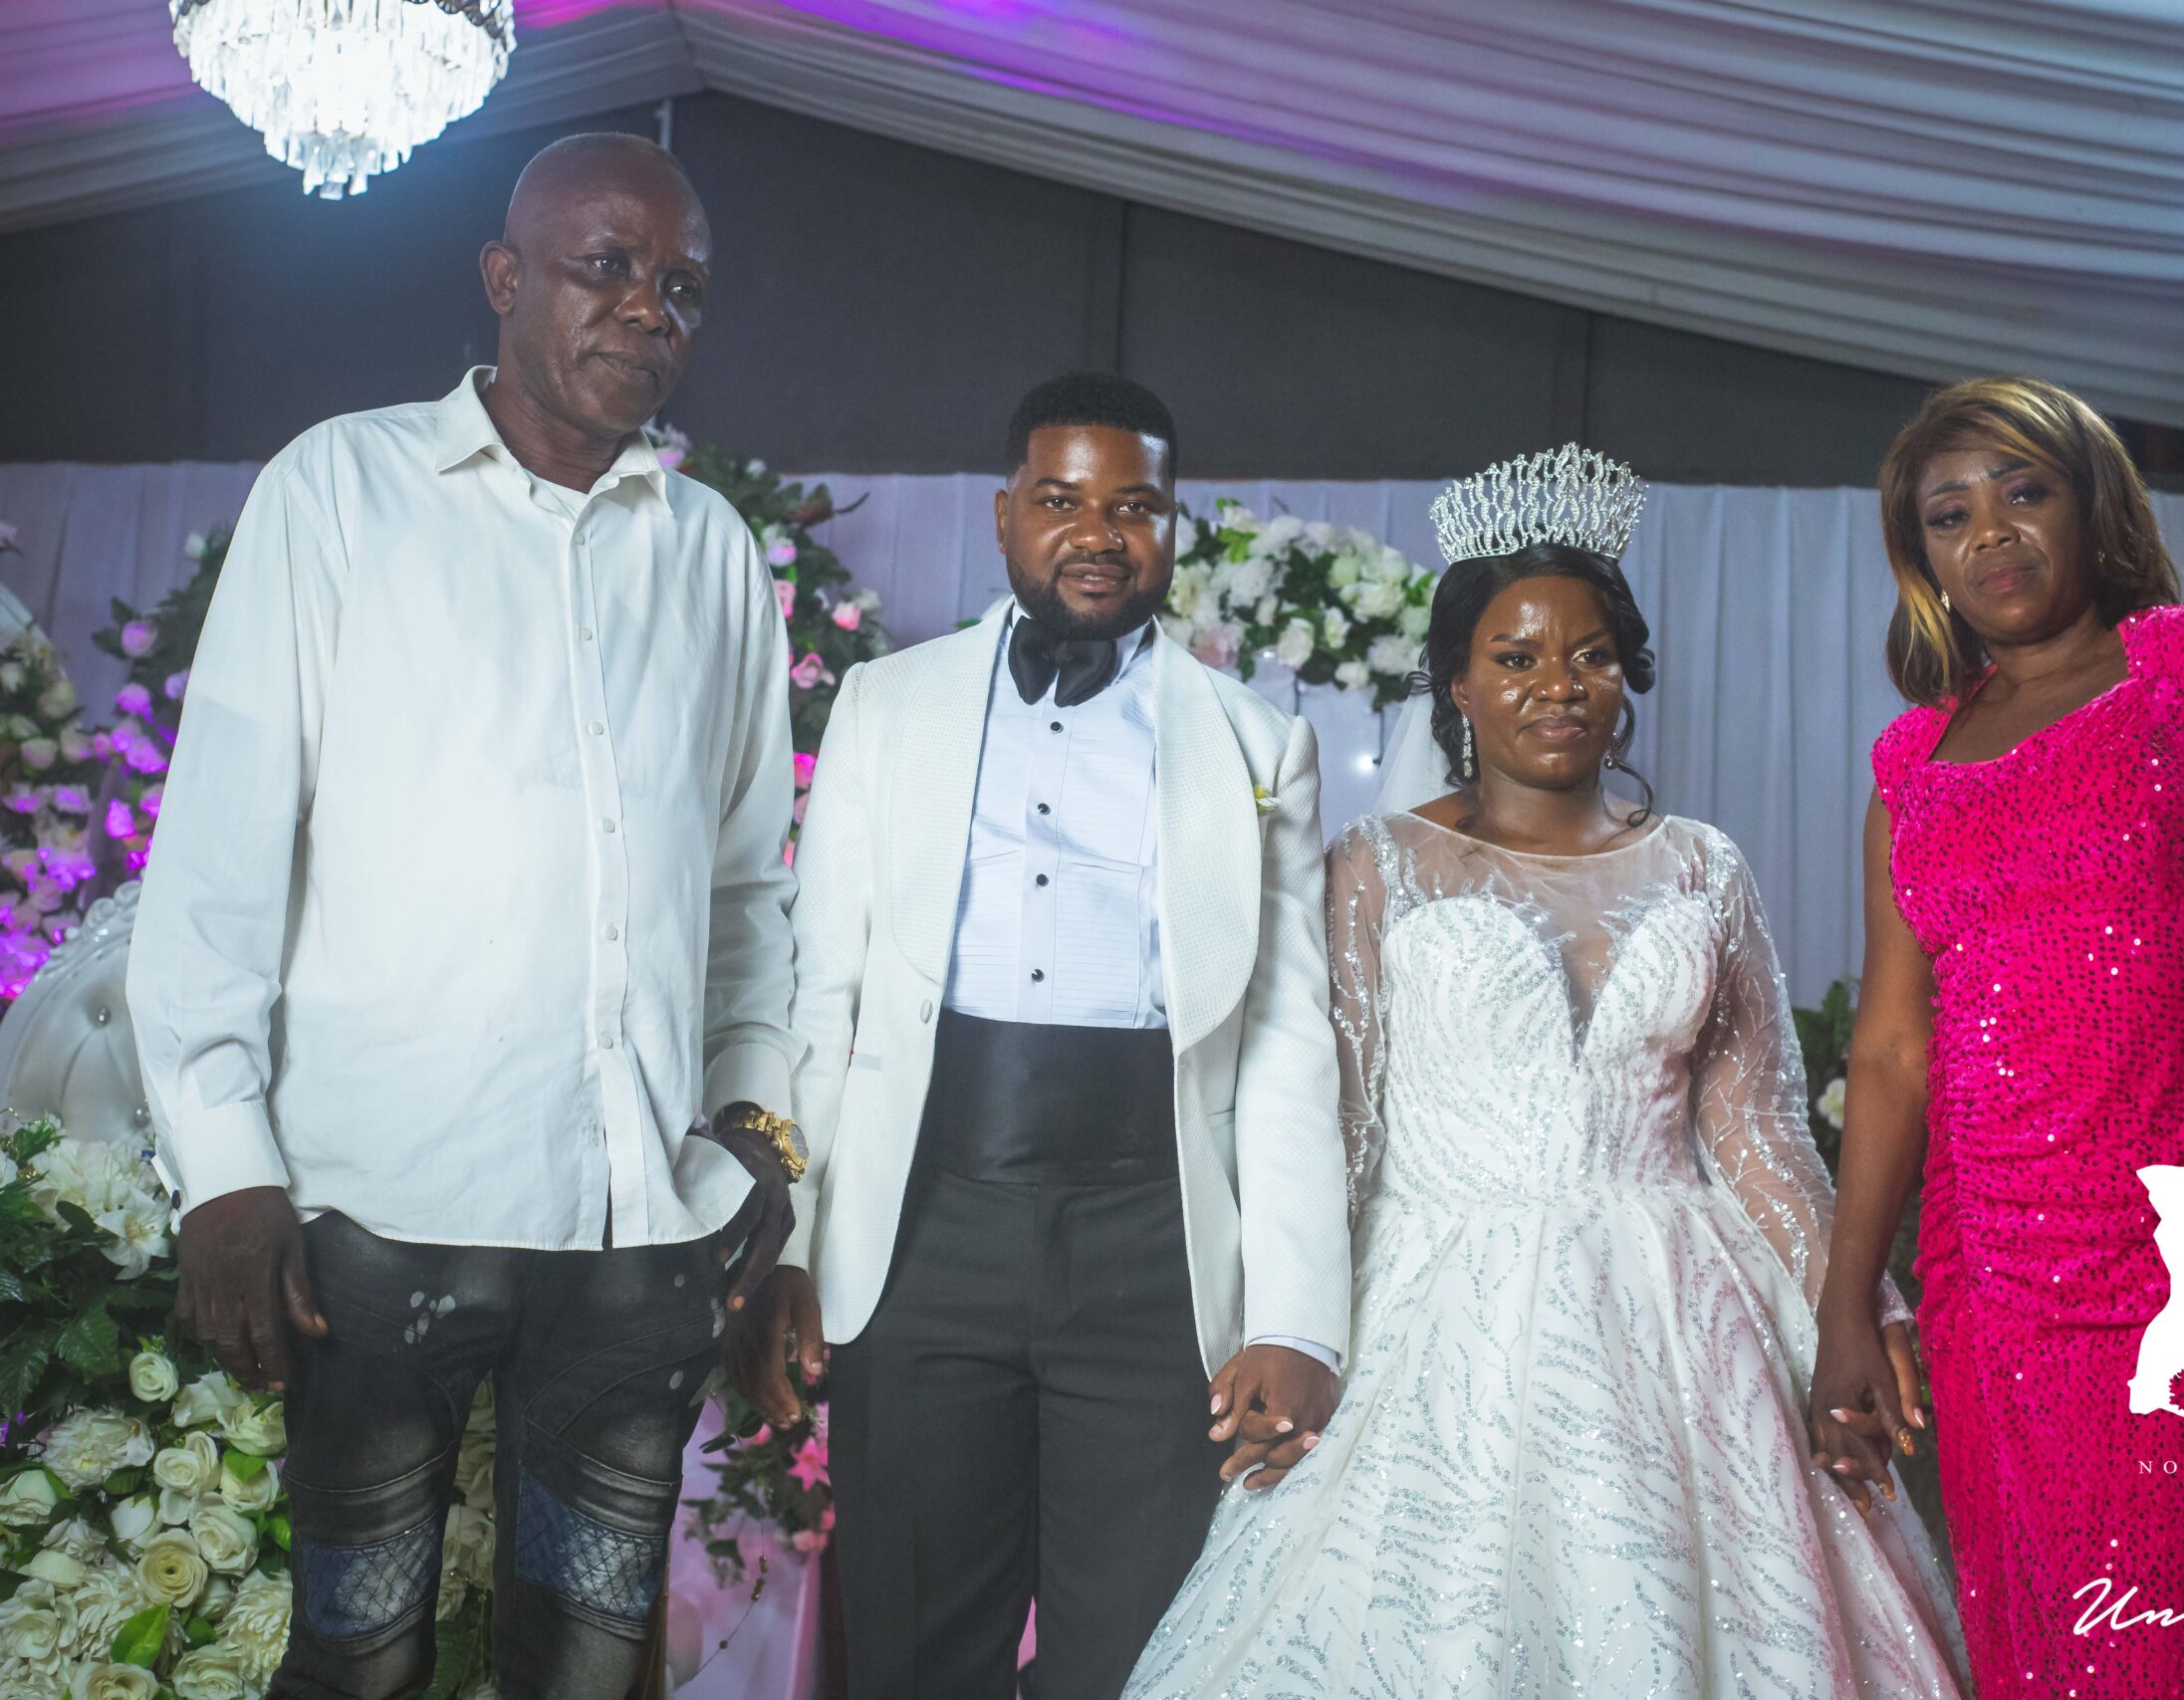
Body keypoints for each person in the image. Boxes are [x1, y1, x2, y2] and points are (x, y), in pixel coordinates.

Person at [124, 133, 806, 1698]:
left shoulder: (709, 550)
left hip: (639, 1224)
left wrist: (755, 1121)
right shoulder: (340, 489)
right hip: (379, 1211)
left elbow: (743, 890)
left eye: (682, 286)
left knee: (589, 1660)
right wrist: (225, 1165)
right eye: (607, 267)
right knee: (359, 1651)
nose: (648, 308)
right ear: (504, 279)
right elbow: (220, 849)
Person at [1125, 444, 1970, 1698]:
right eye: (1515, 658)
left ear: (1627, 676)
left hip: (1680, 1317)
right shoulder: (1374, 863)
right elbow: (1337, 1123)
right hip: (1438, 1309)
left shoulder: (1703, 865)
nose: (1557, 686)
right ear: (1457, 684)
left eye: (1589, 655)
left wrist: (1855, 1310)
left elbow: (1755, 1135)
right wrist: (1284, 1325)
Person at [727, 372, 1350, 1699]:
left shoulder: (1260, 741)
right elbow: (822, 995)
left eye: (1135, 506)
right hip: (925, 1227)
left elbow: (1290, 1042)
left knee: (1133, 1655)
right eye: (1062, 500)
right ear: (1007, 515)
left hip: (1153, 1251)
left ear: (1173, 527)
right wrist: (786, 1239)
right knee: (912, 1650)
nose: (1098, 533)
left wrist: (1299, 1316)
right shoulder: (885, 703)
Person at [1808, 376, 2184, 1699]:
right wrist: (1848, 1301)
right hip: (2000, 1282)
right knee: (2051, 1652)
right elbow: (1893, 1051)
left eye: (2024, 491)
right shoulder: (1911, 766)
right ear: (1922, 558)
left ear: (2092, 504)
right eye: (1949, 514)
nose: (1991, 531)